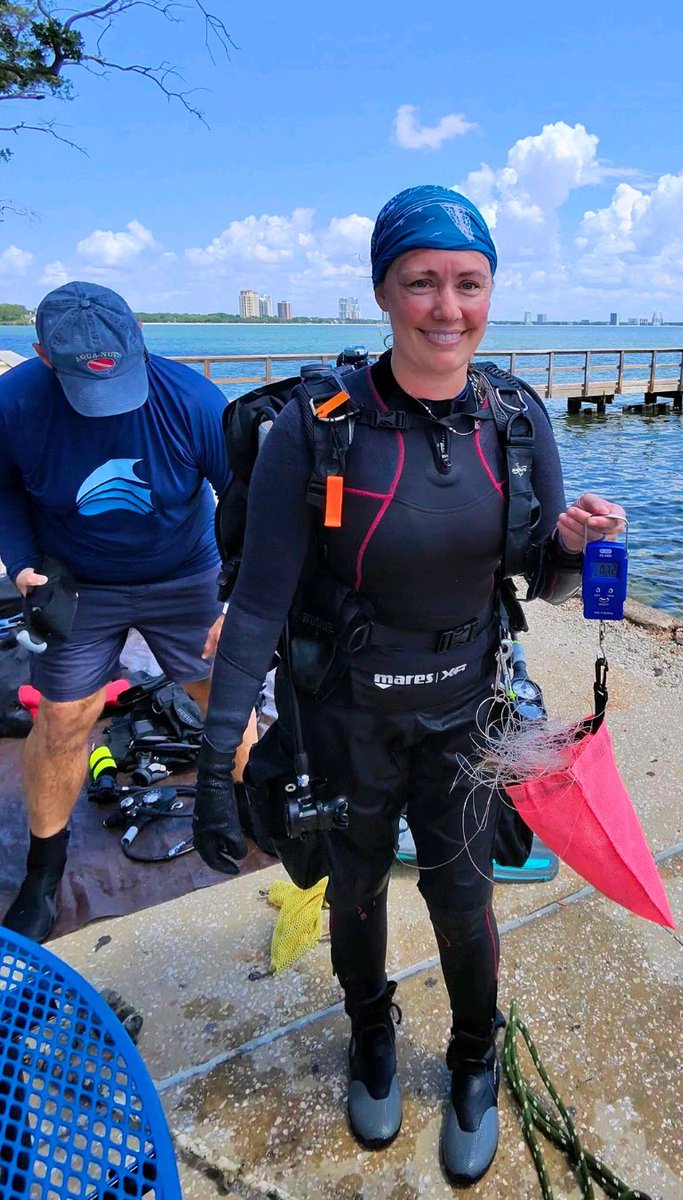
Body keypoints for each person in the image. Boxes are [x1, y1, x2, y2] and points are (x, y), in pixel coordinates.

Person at [191, 185, 625, 1185]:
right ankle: (373, 1032)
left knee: (462, 897)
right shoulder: (322, 429)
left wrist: (573, 545)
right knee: (352, 894)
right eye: (420, 282)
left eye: (468, 284)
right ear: (383, 292)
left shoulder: (515, 420)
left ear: (491, 292)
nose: (446, 308)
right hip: (346, 715)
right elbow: (256, 608)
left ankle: (475, 1052)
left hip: (465, 709)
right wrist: (219, 760)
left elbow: (549, 587)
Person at [0, 281, 256, 945]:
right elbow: (3, 489)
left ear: (138, 337)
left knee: (224, 699)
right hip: (76, 583)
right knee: (61, 718)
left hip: (186, 572)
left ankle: (251, 811)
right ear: (44, 357)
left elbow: (246, 503)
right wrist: (20, 560)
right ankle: (43, 870)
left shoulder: (192, 399)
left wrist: (238, 596)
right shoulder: (15, 402)